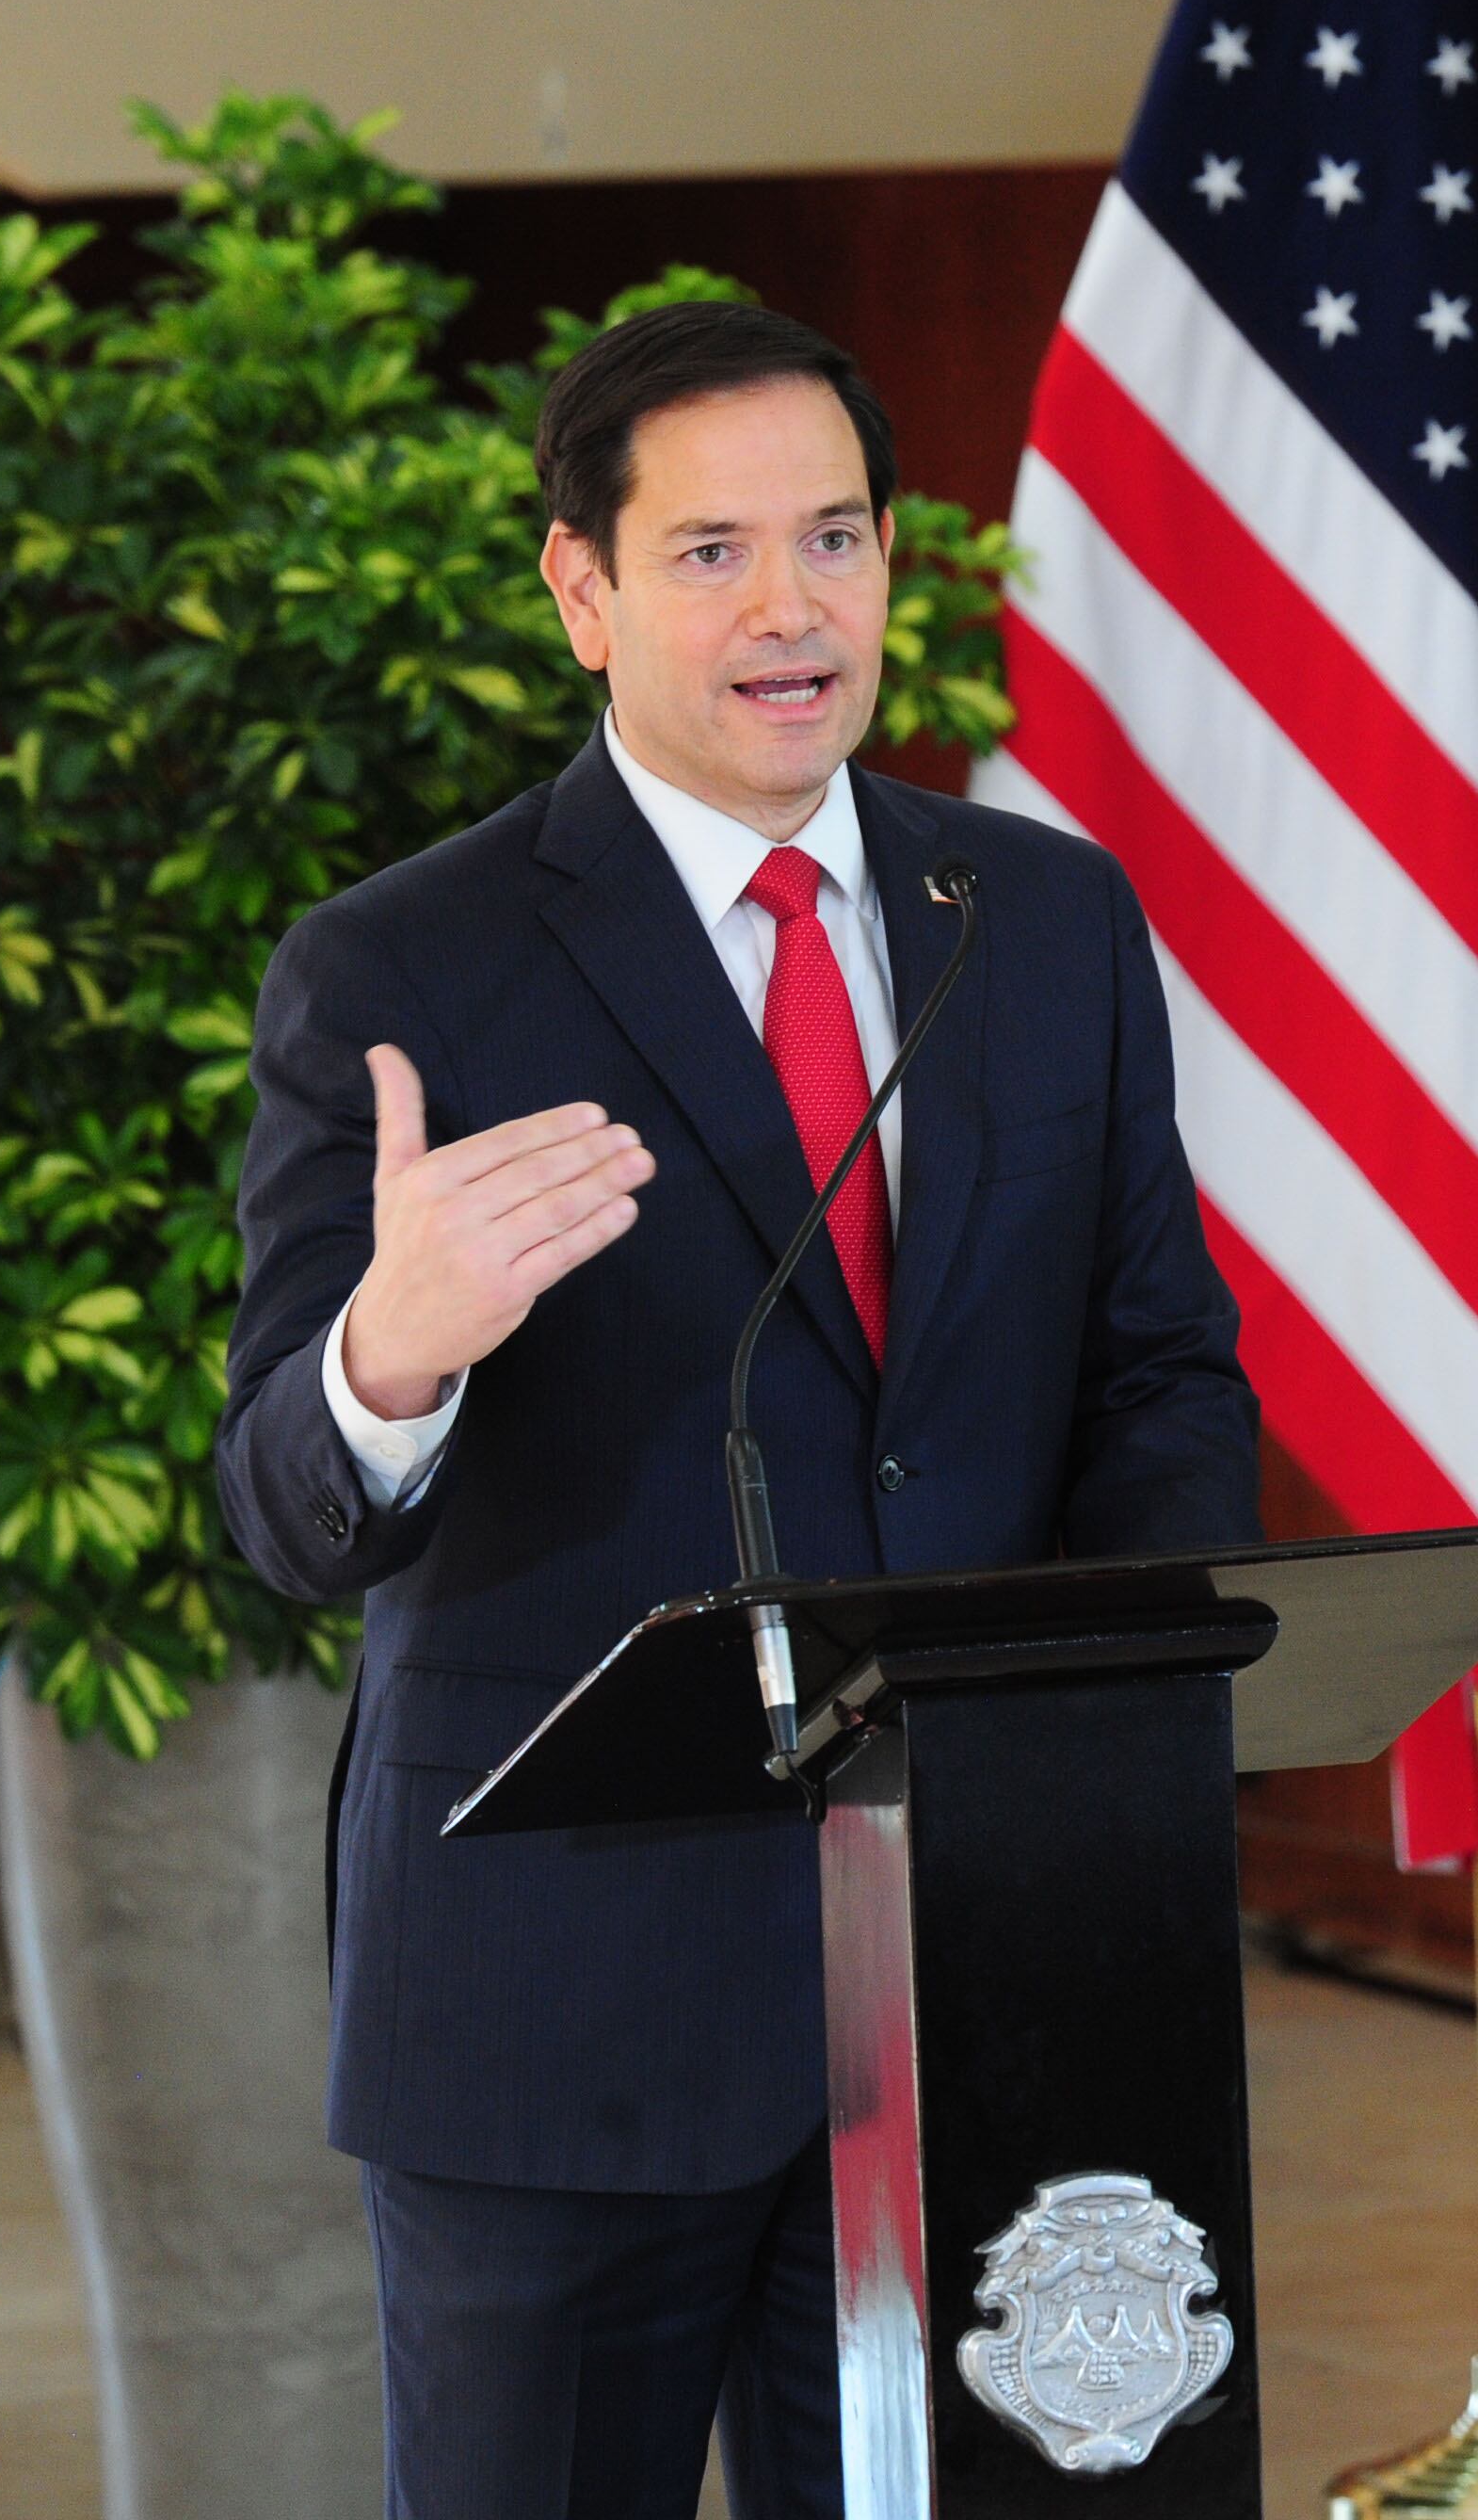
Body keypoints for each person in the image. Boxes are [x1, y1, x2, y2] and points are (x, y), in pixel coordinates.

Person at [215, 300, 1262, 2520]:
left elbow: (1158, 1367)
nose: (790, 609)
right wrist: (392, 1351)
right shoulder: (409, 969)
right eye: (708, 554)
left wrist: (1098, 1711)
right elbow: (292, 1514)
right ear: (578, 591)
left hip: (971, 1981)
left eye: (836, 539)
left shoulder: (1043, 919)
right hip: (558, 2005)